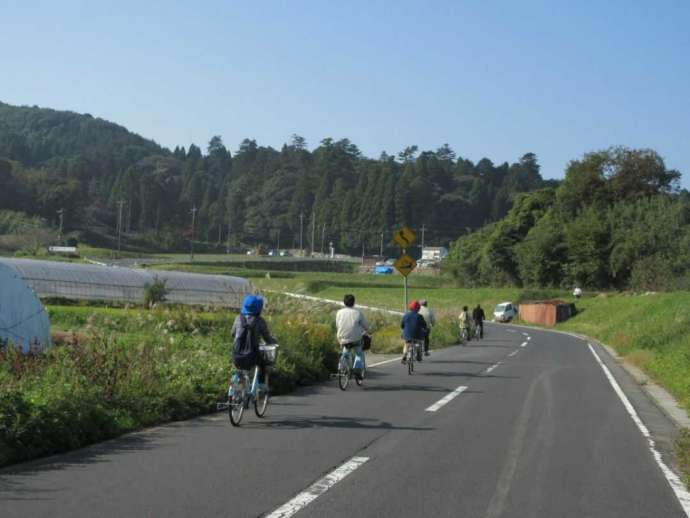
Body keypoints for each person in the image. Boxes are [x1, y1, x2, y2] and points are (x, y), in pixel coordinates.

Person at [231, 295, 276, 386]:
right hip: (252, 355)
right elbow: (267, 338)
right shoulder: (260, 321)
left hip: (236, 354)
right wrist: (274, 341)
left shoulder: (238, 318)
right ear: (259, 308)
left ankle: (239, 386)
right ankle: (262, 386)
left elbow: (232, 333)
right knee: (263, 364)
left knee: (240, 368)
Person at [336, 294, 370, 377]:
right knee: (359, 353)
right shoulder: (358, 313)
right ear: (354, 302)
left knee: (346, 350)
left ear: (344, 302)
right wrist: (367, 331)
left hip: (342, 338)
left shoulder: (339, 312)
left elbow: (337, 325)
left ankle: (343, 366)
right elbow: (365, 325)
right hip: (356, 339)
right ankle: (358, 370)